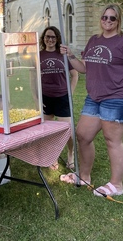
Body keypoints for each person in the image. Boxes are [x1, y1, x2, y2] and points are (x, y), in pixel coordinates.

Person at [59, 4, 123, 197]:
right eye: (105, 17)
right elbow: (84, 68)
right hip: (93, 98)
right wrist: (70, 56)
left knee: (112, 140)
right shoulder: (94, 40)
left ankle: (116, 185)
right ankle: (84, 176)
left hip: (117, 98)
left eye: (112, 18)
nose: (107, 21)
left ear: (119, 21)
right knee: (83, 135)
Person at [39, 26, 78, 170]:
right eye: (47, 36)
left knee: (68, 131)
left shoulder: (63, 55)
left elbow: (75, 75)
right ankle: (52, 157)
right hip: (45, 97)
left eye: (53, 37)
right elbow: (33, 79)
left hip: (62, 97)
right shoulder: (39, 55)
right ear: (43, 38)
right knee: (46, 132)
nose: (50, 39)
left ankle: (70, 154)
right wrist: (36, 98)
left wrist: (70, 93)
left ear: (57, 39)